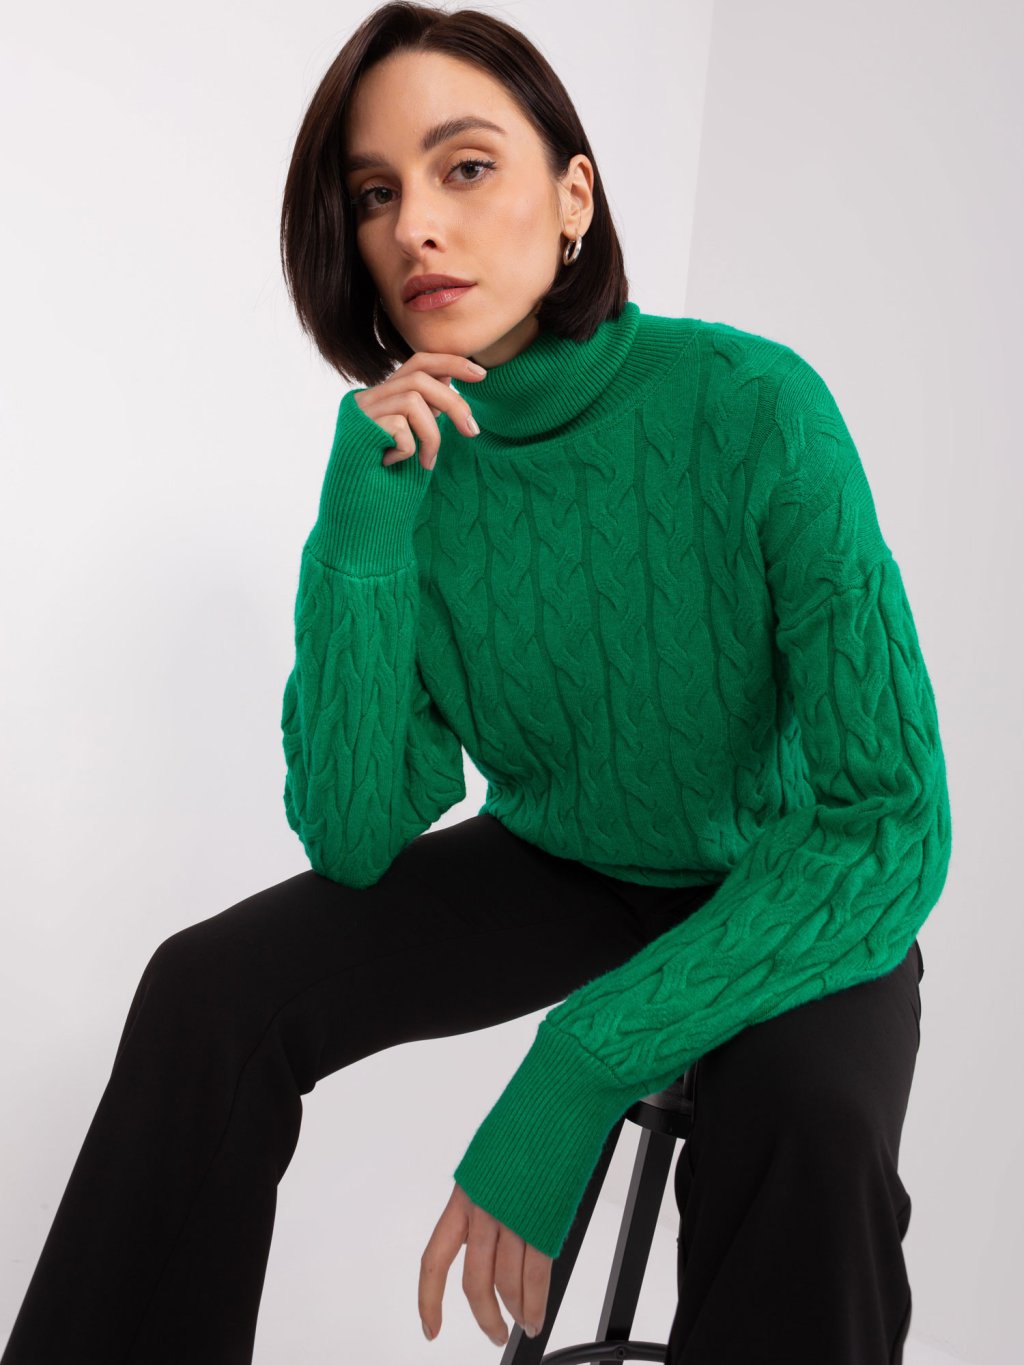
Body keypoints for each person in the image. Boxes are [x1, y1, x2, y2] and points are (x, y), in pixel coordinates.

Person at [0, 4, 951, 1363]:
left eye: (464, 167)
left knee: (810, 1128)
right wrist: (361, 534)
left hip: (793, 874)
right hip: (567, 860)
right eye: (375, 194)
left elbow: (889, 821)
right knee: (207, 994)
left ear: (573, 200)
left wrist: (581, 1061)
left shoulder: (756, 407)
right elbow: (354, 834)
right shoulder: (410, 466)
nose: (416, 229)